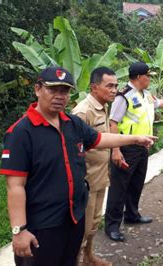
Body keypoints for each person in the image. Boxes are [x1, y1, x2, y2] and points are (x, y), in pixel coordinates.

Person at [0, 66, 157, 266]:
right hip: (42, 224)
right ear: (38, 89)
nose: (59, 96)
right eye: (52, 89)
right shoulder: (21, 132)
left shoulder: (72, 124)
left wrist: (135, 138)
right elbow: (15, 186)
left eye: (64, 91)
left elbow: (99, 138)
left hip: (73, 217)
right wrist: (19, 230)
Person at [105, 62, 163, 242]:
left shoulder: (146, 95)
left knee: (136, 183)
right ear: (138, 77)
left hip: (142, 146)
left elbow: (158, 104)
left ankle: (132, 215)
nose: (149, 79)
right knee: (119, 187)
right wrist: (116, 150)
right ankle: (112, 225)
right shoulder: (124, 96)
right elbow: (113, 123)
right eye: (147, 76)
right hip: (126, 147)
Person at [72, 67, 118, 266]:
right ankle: (75, 261)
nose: (114, 90)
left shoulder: (103, 105)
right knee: (82, 228)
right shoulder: (83, 112)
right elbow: (73, 150)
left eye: (116, 86)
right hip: (86, 181)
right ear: (94, 88)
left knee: (95, 222)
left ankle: (89, 257)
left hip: (100, 176)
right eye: (109, 86)